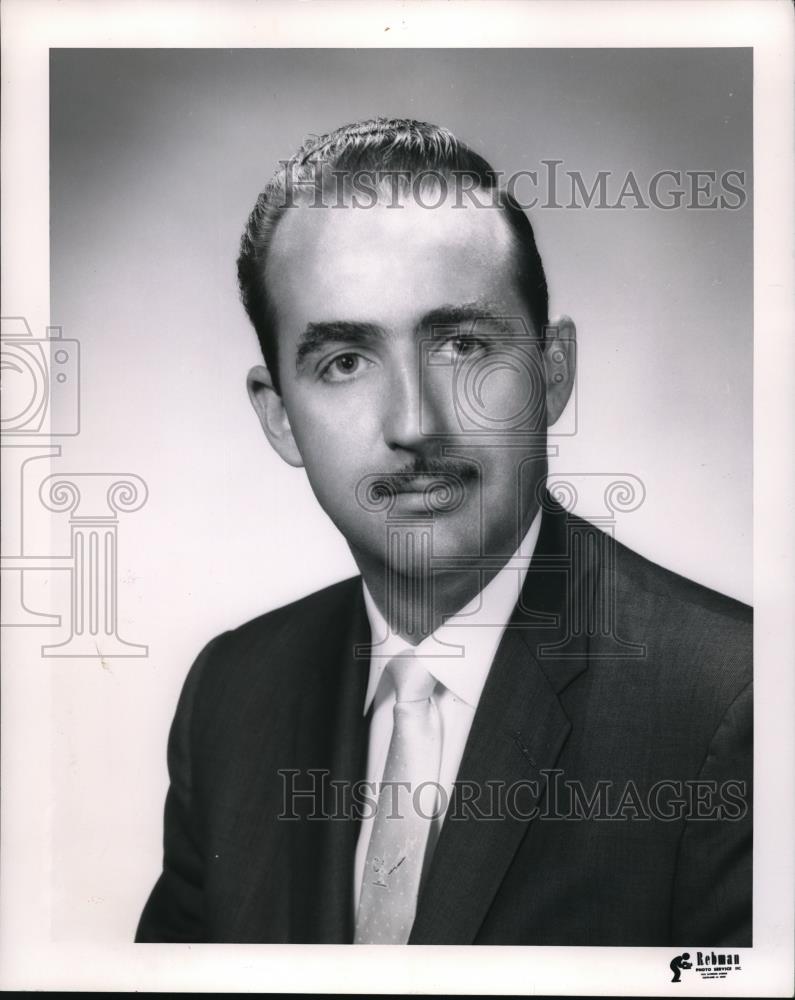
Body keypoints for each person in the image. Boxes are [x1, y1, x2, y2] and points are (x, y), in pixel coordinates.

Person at [136, 118, 752, 946]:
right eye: (344, 361)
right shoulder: (231, 692)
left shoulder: (738, 703)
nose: (414, 423)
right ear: (279, 416)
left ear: (552, 370)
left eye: (461, 345)